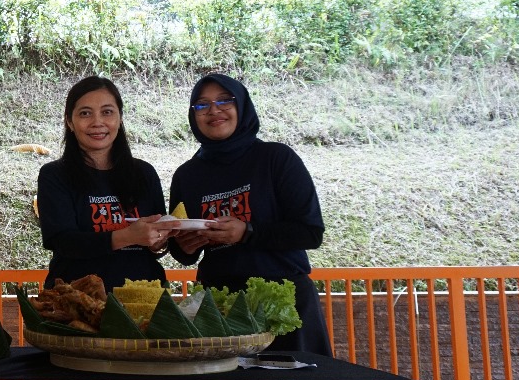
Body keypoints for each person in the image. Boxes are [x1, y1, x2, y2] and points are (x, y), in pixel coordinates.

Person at [166, 73, 331, 355]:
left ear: (241, 105)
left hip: (283, 301)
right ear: (194, 115)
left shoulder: (276, 159)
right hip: (219, 307)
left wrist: (247, 232)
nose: (214, 111)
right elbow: (182, 249)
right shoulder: (187, 175)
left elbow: (310, 232)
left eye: (224, 101)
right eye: (202, 105)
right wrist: (184, 245)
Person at [37, 76, 172, 290]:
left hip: (144, 297)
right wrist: (126, 236)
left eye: (107, 112)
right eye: (85, 113)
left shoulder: (144, 173)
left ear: (119, 118)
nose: (97, 122)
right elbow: (64, 242)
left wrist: (159, 240)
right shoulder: (54, 175)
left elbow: (158, 244)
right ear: (70, 122)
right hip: (78, 302)